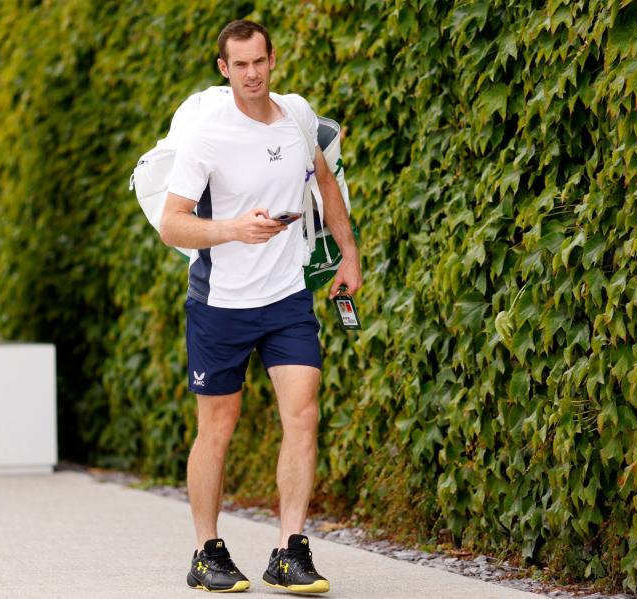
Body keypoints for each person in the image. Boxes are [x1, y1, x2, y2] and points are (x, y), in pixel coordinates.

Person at [159, 19, 362, 594]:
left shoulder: (297, 116)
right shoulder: (207, 134)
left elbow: (326, 184)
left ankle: (289, 549)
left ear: (273, 60)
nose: (252, 74)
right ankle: (205, 551)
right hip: (220, 302)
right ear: (223, 69)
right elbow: (172, 225)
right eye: (240, 65)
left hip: (286, 298)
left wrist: (349, 255)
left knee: (303, 414)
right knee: (217, 428)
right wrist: (231, 230)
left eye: (260, 62)